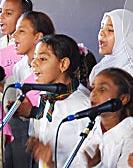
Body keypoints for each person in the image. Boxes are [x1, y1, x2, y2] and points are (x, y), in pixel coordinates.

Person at [16, 34, 91, 168]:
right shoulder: (46, 96)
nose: (34, 64)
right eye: (34, 58)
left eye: (42, 59)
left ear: (63, 64)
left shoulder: (83, 105)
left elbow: (89, 160)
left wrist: (51, 161)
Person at [5, 11, 55, 168]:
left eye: (21, 31)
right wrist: (21, 110)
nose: (14, 36)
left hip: (53, 144)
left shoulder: (53, 68)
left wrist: (32, 111)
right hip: (35, 138)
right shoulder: (19, 68)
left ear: (37, 37)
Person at [82, 68, 133, 168]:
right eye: (93, 88)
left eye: (102, 89)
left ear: (123, 99)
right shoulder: (94, 126)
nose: (93, 94)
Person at [89, 9, 133, 85]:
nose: (101, 33)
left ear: (127, 36)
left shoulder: (131, 72)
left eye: (110, 30)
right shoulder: (98, 68)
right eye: (102, 27)